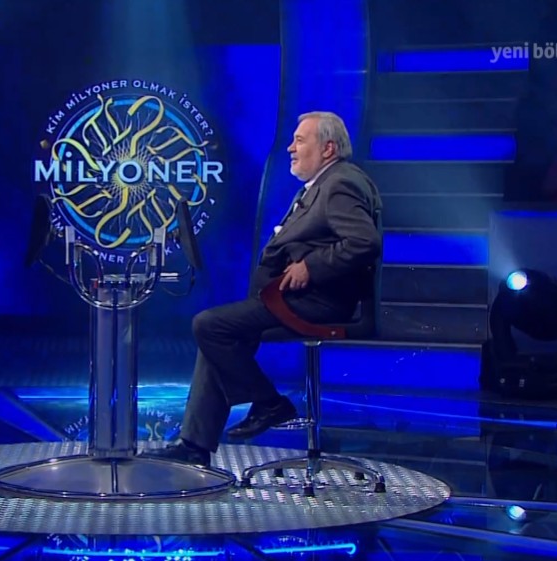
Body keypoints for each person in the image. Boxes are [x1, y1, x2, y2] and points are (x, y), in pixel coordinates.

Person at [144, 111, 382, 466]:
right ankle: (195, 445)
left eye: (299, 140)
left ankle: (269, 403)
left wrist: (310, 267)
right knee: (222, 334)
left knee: (209, 325)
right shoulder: (322, 184)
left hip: (319, 302)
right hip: (291, 298)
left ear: (328, 148)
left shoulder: (340, 184)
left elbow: (364, 242)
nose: (290, 148)